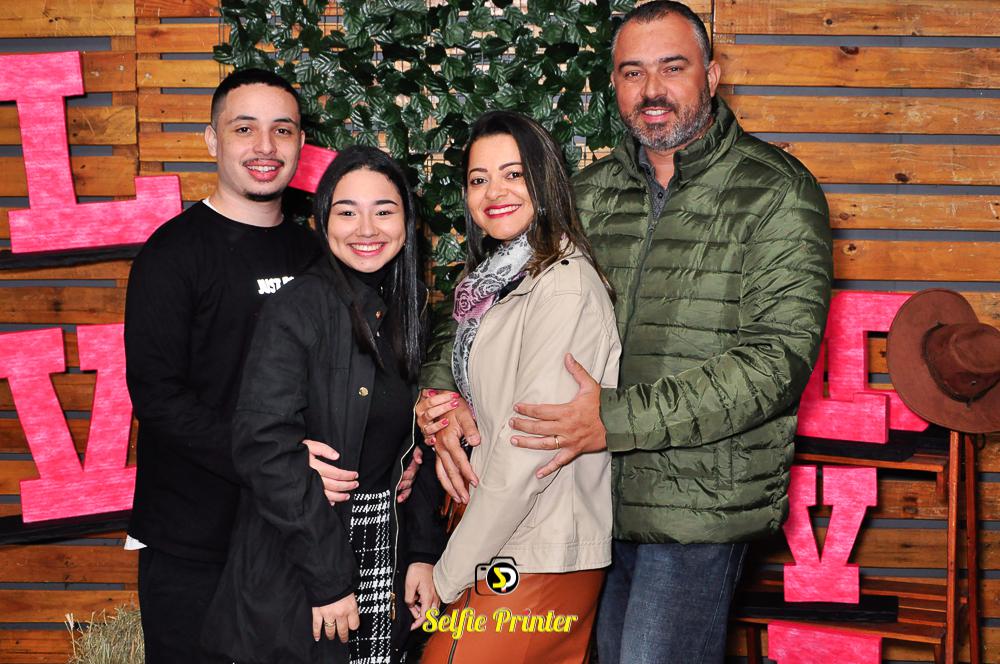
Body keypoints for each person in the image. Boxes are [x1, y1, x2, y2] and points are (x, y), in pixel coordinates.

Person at [416, 2, 834, 663]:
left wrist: (613, 419)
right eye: (633, 72)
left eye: (673, 67)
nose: (652, 89)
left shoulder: (777, 192)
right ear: (614, 84)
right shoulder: (587, 192)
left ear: (712, 74)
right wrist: (442, 392)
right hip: (587, 502)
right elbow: (483, 298)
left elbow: (774, 363)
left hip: (695, 503)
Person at [124, 69, 420, 663]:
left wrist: (398, 454)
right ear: (212, 140)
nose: (265, 146)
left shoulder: (322, 252)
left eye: (282, 130)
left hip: (287, 538)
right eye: (244, 129)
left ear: (301, 144)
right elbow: (158, 398)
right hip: (195, 537)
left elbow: (368, 379)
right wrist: (277, 457)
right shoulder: (172, 253)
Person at [202, 145, 446, 664]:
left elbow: (423, 443)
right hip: (308, 555)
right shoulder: (297, 309)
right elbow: (263, 446)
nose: (366, 229)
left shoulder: (412, 313)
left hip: (386, 548)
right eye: (347, 211)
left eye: (383, 211)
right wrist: (329, 577)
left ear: (406, 223)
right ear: (323, 221)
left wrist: (423, 554)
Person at [418, 111, 621, 664]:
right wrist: (448, 405)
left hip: (538, 547)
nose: (494, 192)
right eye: (478, 179)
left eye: (513, 174)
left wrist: (448, 575)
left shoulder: (561, 287)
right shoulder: (495, 283)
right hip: (505, 538)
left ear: (544, 179)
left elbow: (528, 448)